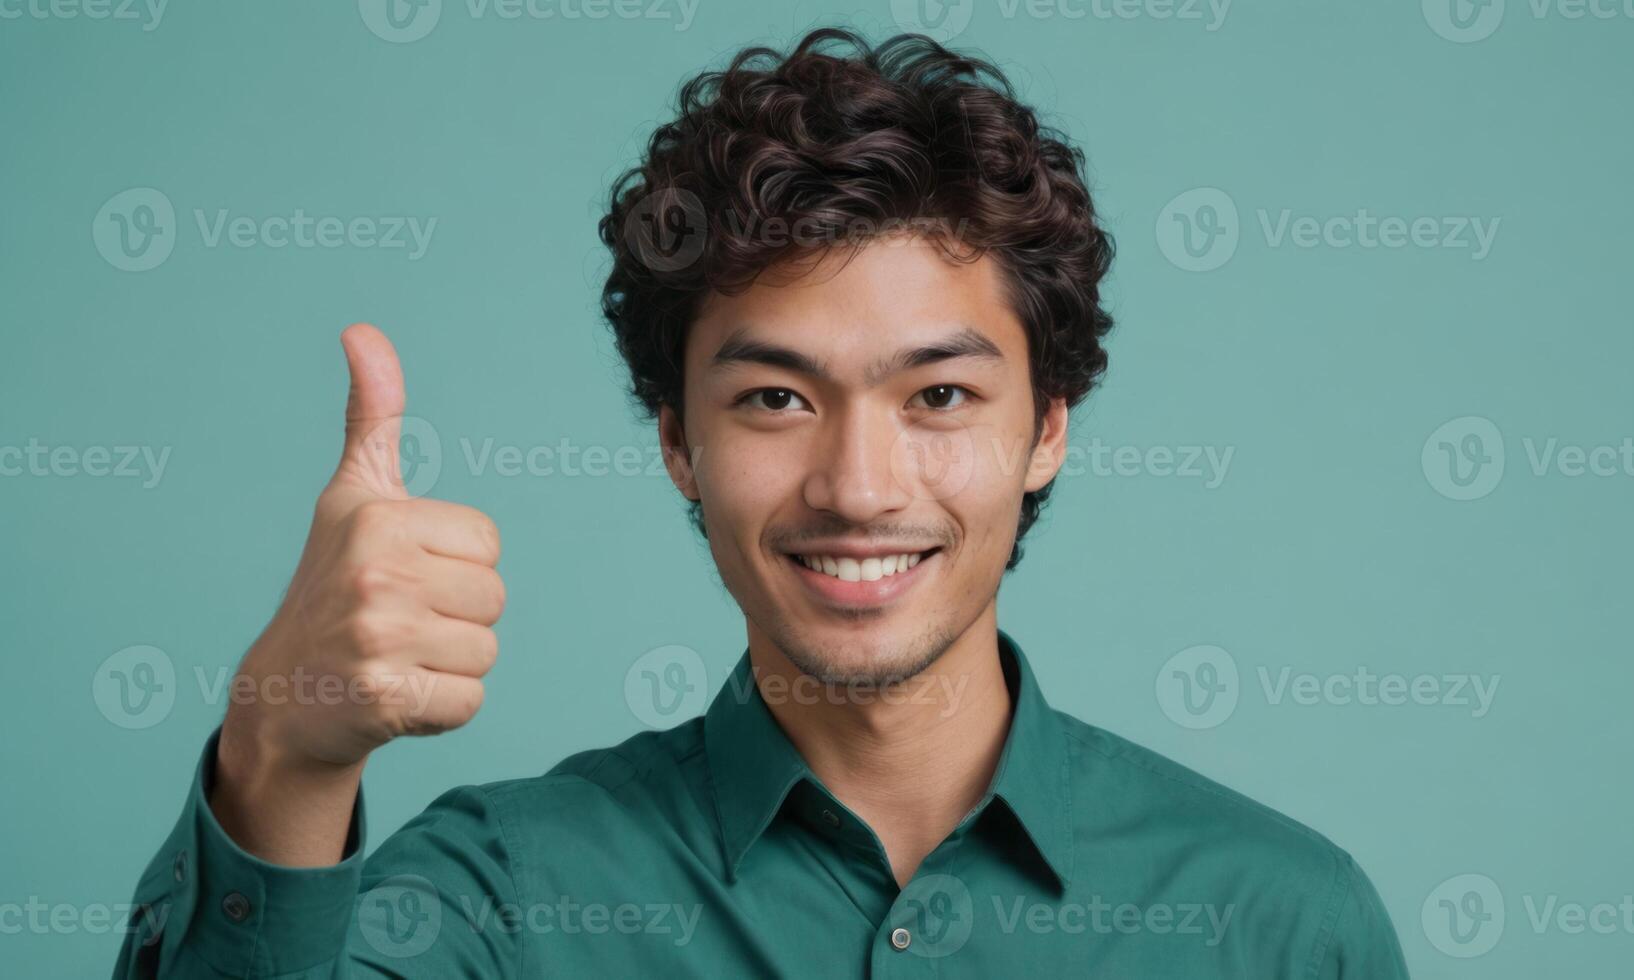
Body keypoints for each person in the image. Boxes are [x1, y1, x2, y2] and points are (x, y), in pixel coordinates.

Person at [114, 28, 1409, 978]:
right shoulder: (502, 898)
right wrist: (278, 746)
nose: (856, 486)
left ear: (1047, 429)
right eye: (777, 400)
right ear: (679, 440)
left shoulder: (1283, 920)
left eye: (940, 398)